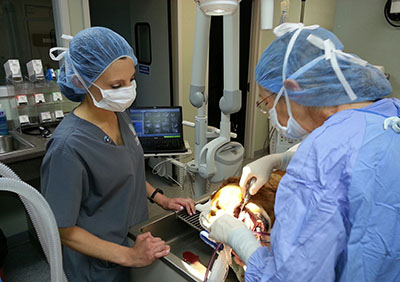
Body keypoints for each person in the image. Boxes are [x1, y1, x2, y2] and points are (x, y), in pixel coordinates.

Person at [208, 23, 400, 281]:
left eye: (267, 103)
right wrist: (281, 158)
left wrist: (240, 240)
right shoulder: (389, 114)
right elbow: (360, 157)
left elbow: (292, 277)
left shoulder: (321, 157)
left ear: (293, 89)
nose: (270, 114)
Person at [42, 27, 195, 282]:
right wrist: (129, 256)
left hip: (134, 237)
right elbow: (62, 229)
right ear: (82, 83)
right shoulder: (67, 147)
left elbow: (128, 170)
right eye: (116, 85)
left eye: (131, 80)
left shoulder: (119, 115)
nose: (127, 90)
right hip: (99, 264)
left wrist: (161, 199)